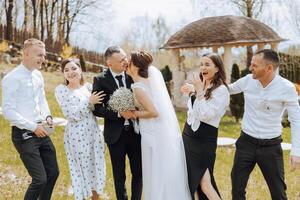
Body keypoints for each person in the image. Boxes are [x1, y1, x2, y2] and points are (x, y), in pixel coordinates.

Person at [229, 49, 300, 200]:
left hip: (271, 148)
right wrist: (202, 87)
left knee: (278, 194)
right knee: (237, 189)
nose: (250, 68)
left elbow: (296, 120)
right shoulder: (248, 80)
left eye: (254, 65)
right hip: (246, 143)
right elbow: (227, 89)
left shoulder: (287, 88)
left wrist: (296, 151)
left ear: (269, 68)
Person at [127, 50, 191, 200]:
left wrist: (133, 114)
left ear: (135, 66)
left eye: (129, 62)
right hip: (157, 130)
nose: (126, 64)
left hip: (151, 132)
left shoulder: (138, 86)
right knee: (162, 170)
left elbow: (154, 112)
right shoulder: (147, 82)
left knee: (154, 171)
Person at [1, 38, 59, 200]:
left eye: (44, 55)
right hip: (24, 135)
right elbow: (8, 111)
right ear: (26, 54)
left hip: (42, 130)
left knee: (53, 173)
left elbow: (42, 100)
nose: (43, 59)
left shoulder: (38, 76)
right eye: (39, 55)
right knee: (40, 179)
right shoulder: (12, 78)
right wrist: (33, 127)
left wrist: (47, 116)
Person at [92, 46, 142, 200]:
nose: (126, 61)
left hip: (136, 133)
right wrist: (119, 113)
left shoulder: (133, 76)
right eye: (121, 60)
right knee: (119, 175)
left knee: (139, 173)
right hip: (115, 137)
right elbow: (97, 109)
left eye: (125, 58)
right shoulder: (100, 80)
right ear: (110, 64)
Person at [54, 58, 106, 200]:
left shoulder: (88, 88)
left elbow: (97, 111)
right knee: (82, 170)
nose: (71, 72)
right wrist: (89, 102)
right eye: (66, 70)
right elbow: (72, 115)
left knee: (95, 167)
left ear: (80, 70)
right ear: (63, 74)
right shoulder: (62, 91)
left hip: (93, 133)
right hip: (77, 135)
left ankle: (95, 198)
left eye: (74, 68)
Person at [180, 53, 229, 200]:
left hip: (204, 142)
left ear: (217, 68)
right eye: (202, 64)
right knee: (192, 185)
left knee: (206, 186)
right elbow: (192, 112)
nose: (203, 67)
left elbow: (205, 115)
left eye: (207, 64)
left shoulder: (222, 91)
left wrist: (196, 92)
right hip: (188, 138)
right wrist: (193, 92)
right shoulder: (201, 86)